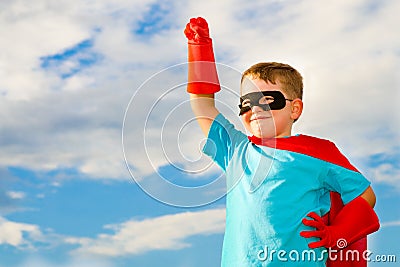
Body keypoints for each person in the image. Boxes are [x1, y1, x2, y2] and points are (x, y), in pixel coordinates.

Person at [184, 17, 380, 266]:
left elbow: (364, 195)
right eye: (247, 102)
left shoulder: (319, 152)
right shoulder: (236, 150)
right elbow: (203, 104)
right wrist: (199, 48)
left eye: (267, 100)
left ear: (295, 108)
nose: (255, 109)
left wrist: (337, 235)